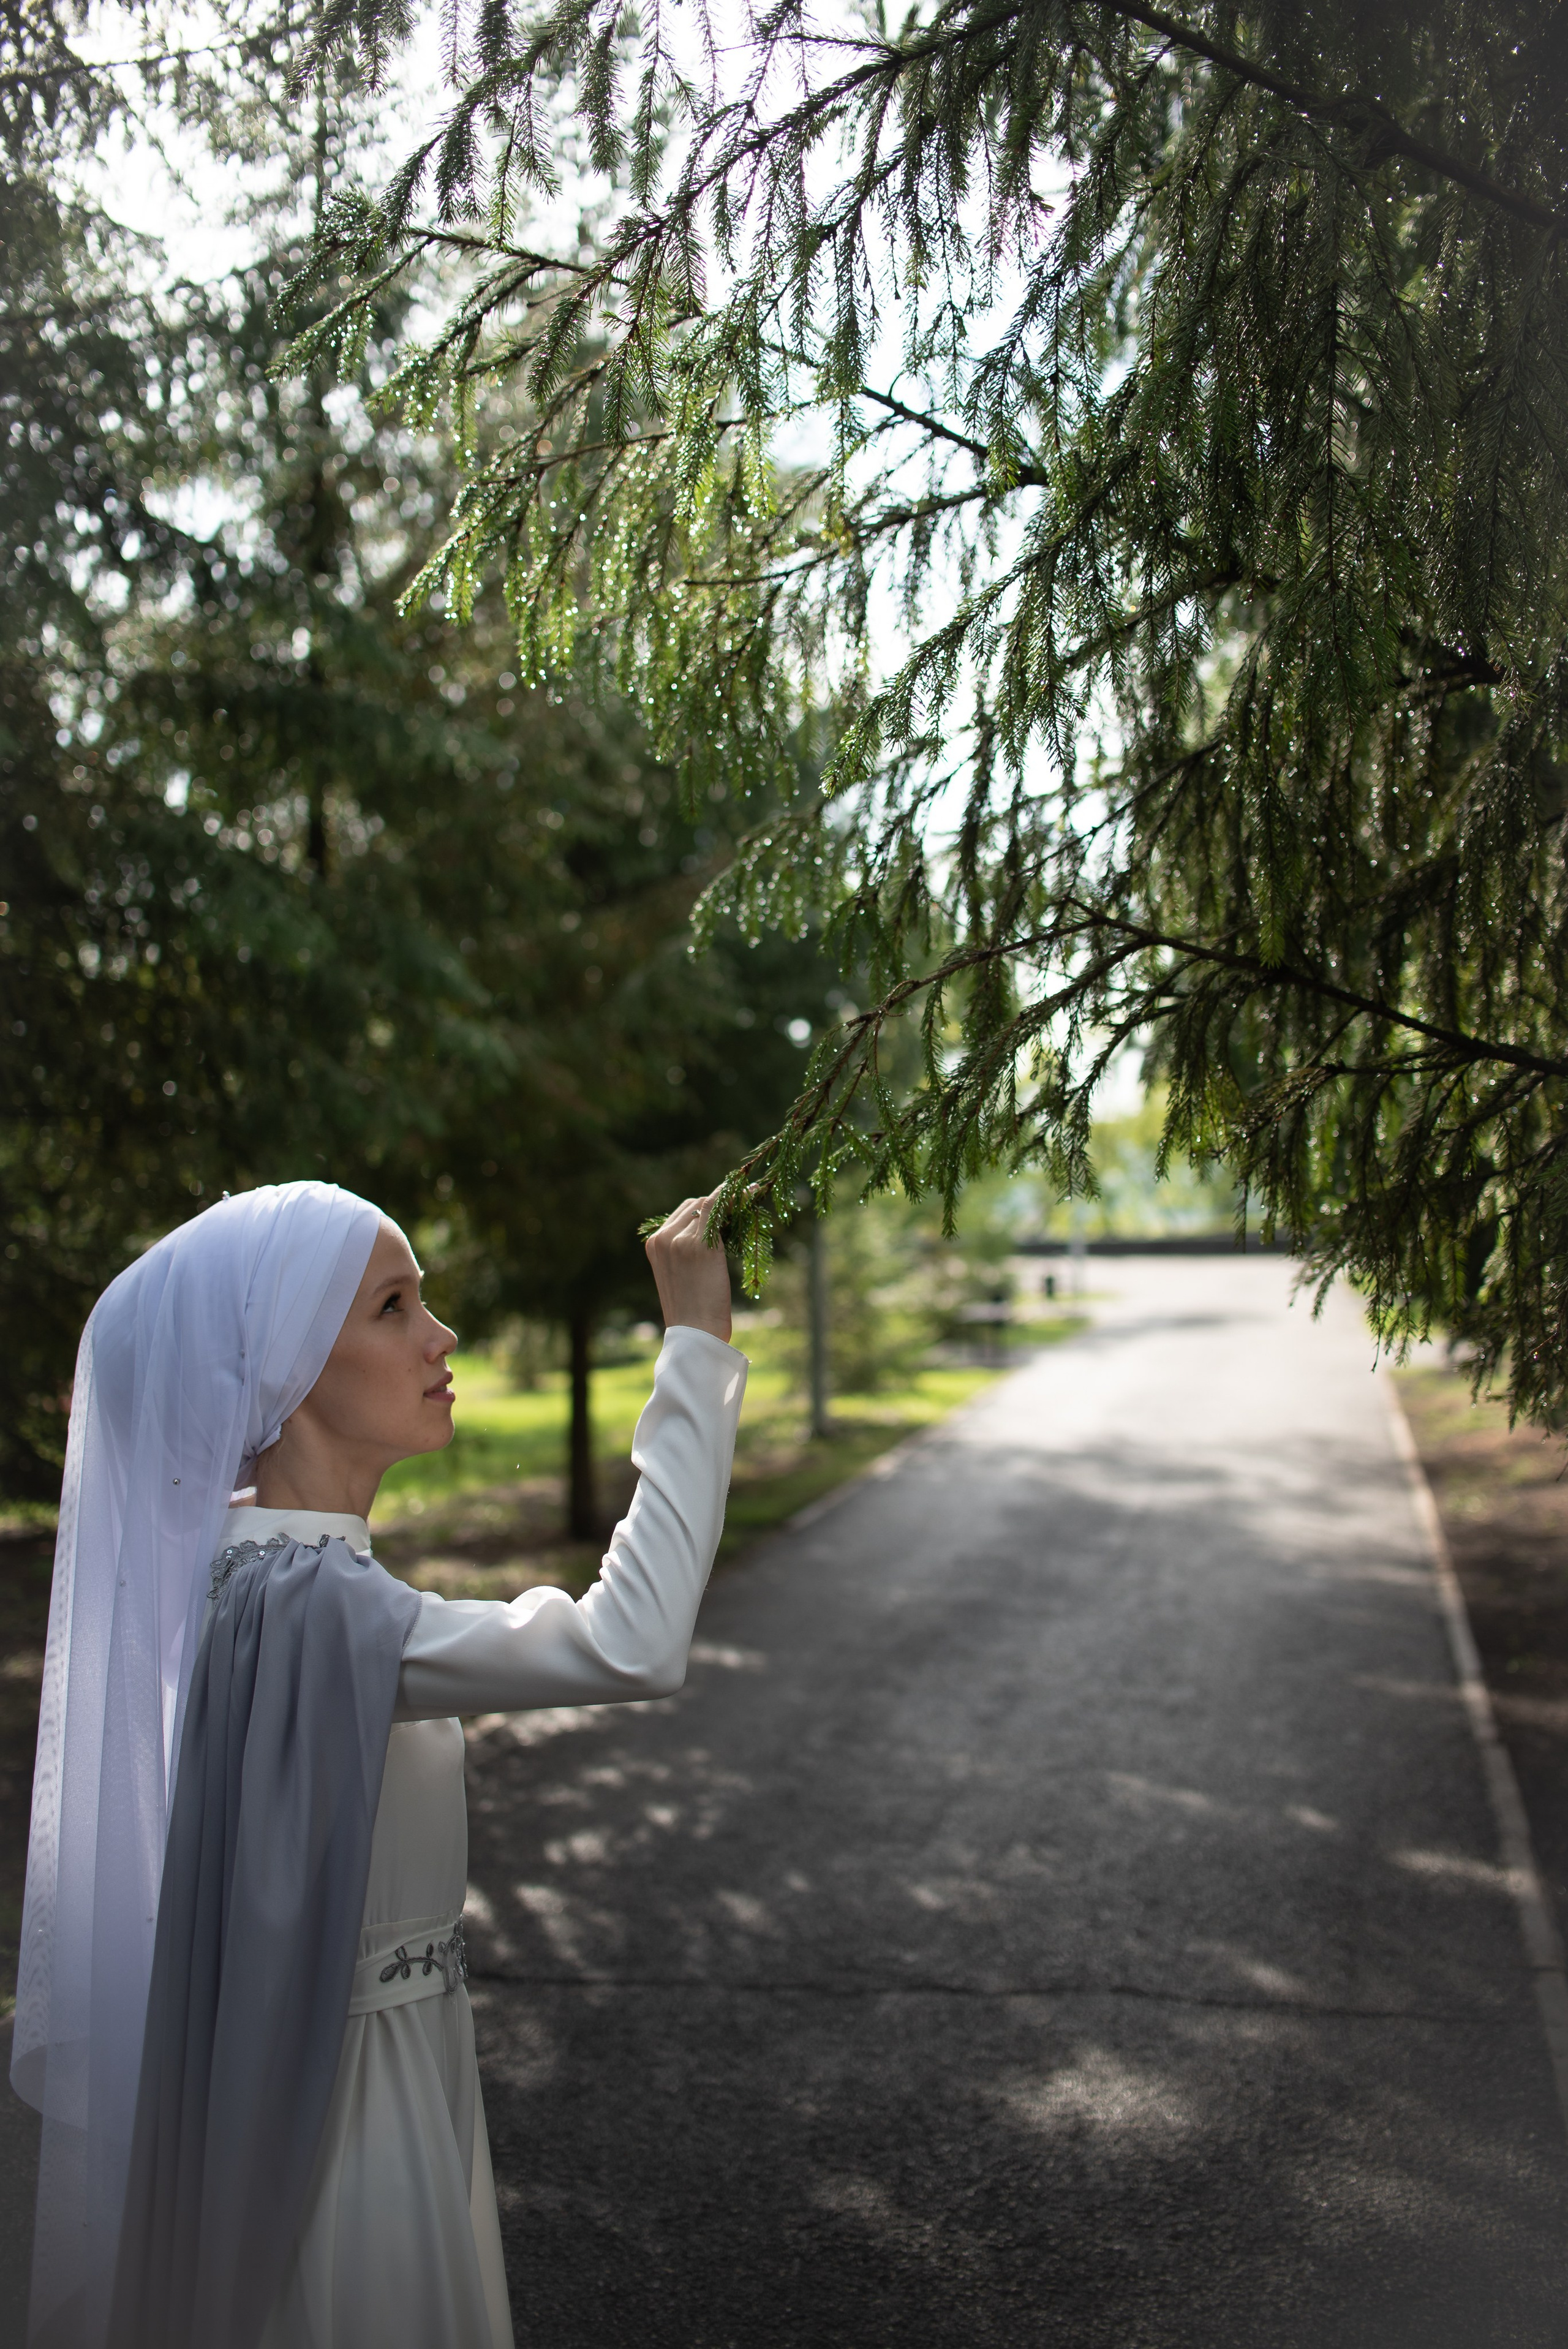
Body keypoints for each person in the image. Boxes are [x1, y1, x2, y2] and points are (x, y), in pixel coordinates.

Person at [11, 1180, 745, 2349]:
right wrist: (696, 1345)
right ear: (287, 1369)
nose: (441, 1337)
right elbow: (634, 1640)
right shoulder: (313, 1606)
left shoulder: (248, 1579)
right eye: (394, 1308)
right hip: (353, 2122)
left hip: (327, 2086)